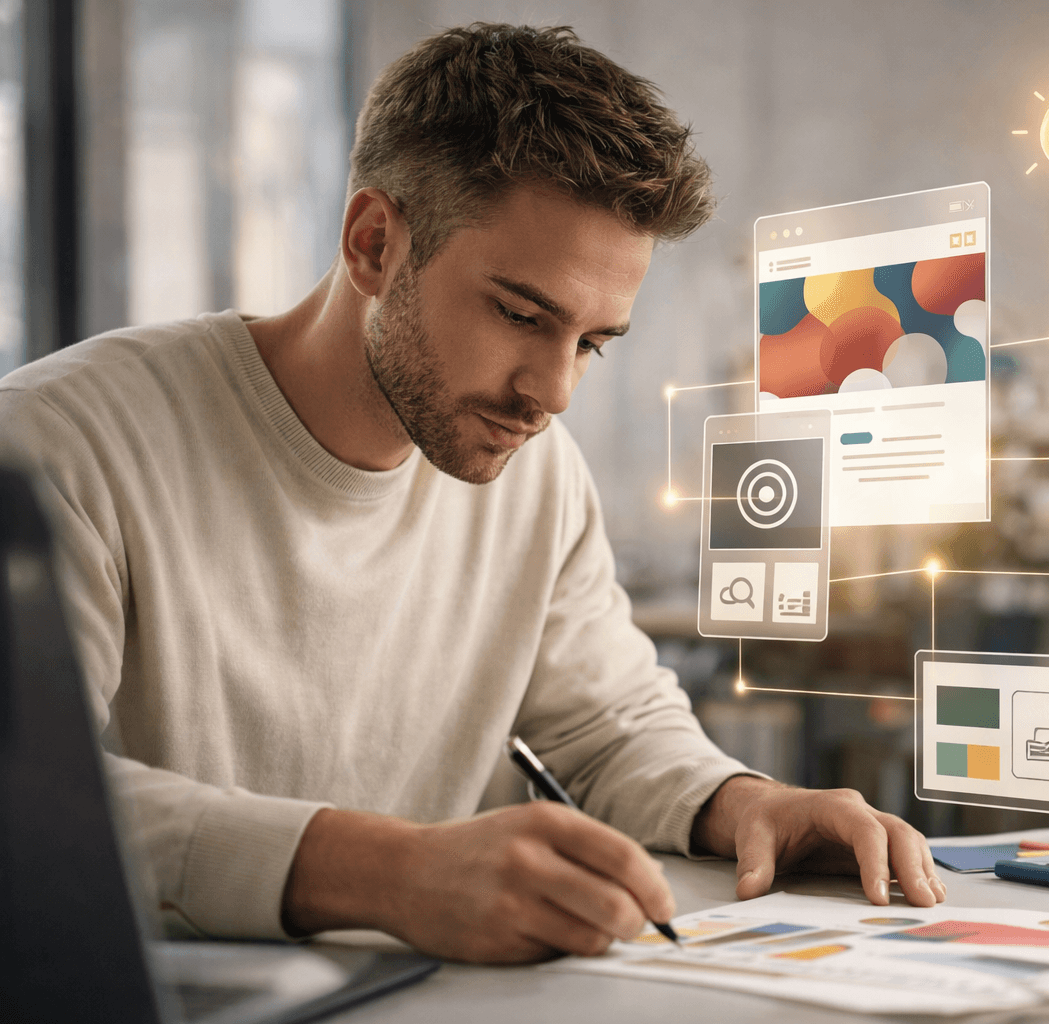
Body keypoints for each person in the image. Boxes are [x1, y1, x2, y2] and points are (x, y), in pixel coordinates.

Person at [0, 24, 946, 964]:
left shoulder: (535, 475)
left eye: (590, 342)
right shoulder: (57, 447)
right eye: (520, 315)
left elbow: (605, 726)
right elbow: (24, 797)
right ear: (374, 244)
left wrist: (743, 804)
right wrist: (389, 873)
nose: (553, 393)